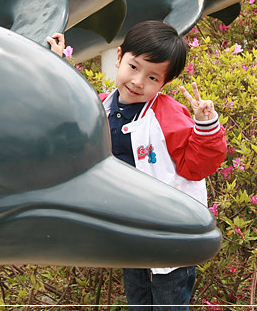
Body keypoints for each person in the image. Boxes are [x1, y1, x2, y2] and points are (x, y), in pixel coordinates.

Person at [47, 21, 228, 310]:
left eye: (153, 77)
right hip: (131, 230)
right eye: (133, 67)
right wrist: (58, 65)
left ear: (164, 83)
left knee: (169, 302)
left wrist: (205, 126)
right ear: (119, 57)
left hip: (170, 232)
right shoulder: (101, 107)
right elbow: (72, 110)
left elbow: (197, 167)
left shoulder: (167, 115)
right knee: (138, 299)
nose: (138, 81)